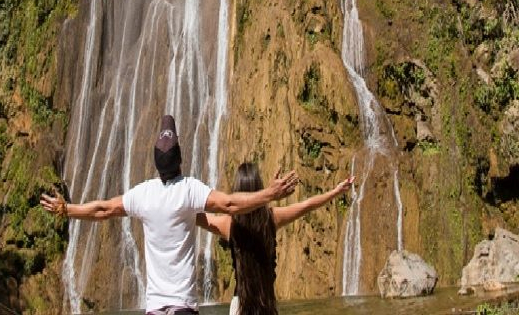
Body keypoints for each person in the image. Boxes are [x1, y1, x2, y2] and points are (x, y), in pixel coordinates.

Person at [40, 116, 299, 315]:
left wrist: (67, 209)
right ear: (180, 159)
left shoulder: (143, 194)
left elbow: (103, 209)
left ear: (156, 163)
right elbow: (231, 204)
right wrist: (268, 194)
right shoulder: (189, 190)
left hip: (154, 307)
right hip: (183, 306)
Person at [196, 162, 354, 315]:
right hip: (267, 304)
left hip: (240, 306)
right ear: (259, 188)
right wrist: (336, 191)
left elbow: (198, 218)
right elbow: (307, 205)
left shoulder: (228, 224)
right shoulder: (271, 218)